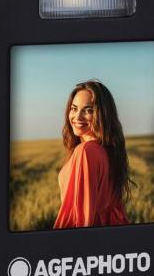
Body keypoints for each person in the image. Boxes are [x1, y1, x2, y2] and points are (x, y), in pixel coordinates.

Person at [54, 80, 130, 228]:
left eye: (88, 110)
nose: (77, 117)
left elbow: (82, 219)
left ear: (102, 114)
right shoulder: (107, 149)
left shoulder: (86, 151)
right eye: (74, 108)